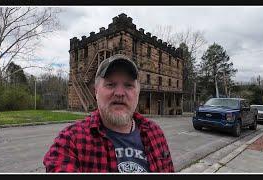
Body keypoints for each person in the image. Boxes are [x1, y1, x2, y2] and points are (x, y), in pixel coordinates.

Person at [43, 54, 174, 173]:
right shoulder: (70, 141)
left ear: (138, 92)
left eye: (128, 85)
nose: (120, 93)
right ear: (96, 92)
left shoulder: (155, 133)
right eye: (110, 84)